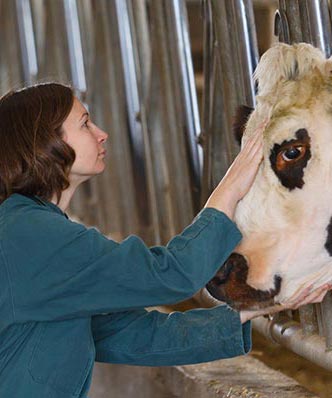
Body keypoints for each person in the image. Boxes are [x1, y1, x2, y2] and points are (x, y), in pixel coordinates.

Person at [0, 83, 329, 398]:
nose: (102, 133)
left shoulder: (32, 230)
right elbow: (171, 275)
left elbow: (131, 336)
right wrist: (232, 183)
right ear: (45, 143)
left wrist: (260, 306)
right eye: (85, 123)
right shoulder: (31, 237)